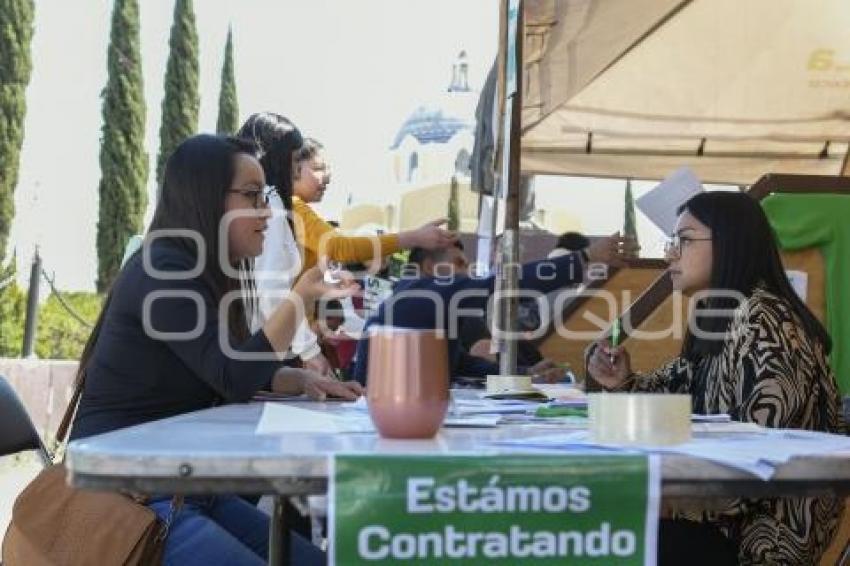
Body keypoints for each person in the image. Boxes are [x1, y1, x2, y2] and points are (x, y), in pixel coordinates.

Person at [70, 135, 362, 566]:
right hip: (124, 495)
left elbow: (213, 365)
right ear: (205, 198)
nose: (266, 210)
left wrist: (296, 378)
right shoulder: (164, 269)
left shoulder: (196, 270)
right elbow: (231, 374)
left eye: (266, 195)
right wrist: (300, 296)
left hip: (183, 486)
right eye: (252, 195)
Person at [586, 192, 844, 565]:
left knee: (610, 537)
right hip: (723, 524)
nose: (670, 254)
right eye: (672, 242)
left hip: (760, 541)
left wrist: (669, 498)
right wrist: (624, 381)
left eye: (685, 240)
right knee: (610, 529)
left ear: (730, 241)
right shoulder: (721, 315)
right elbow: (674, 388)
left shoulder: (764, 322)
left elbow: (756, 463)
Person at [238, 114, 455, 376]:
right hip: (275, 349)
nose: (327, 176)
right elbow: (280, 287)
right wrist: (413, 238)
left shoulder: (283, 208)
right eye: (313, 167)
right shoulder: (280, 208)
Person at [352, 234, 634, 384]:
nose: (465, 273)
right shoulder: (422, 293)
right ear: (428, 267)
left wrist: (522, 375)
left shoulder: (425, 298)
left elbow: (458, 363)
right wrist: (584, 257)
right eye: (459, 264)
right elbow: (502, 286)